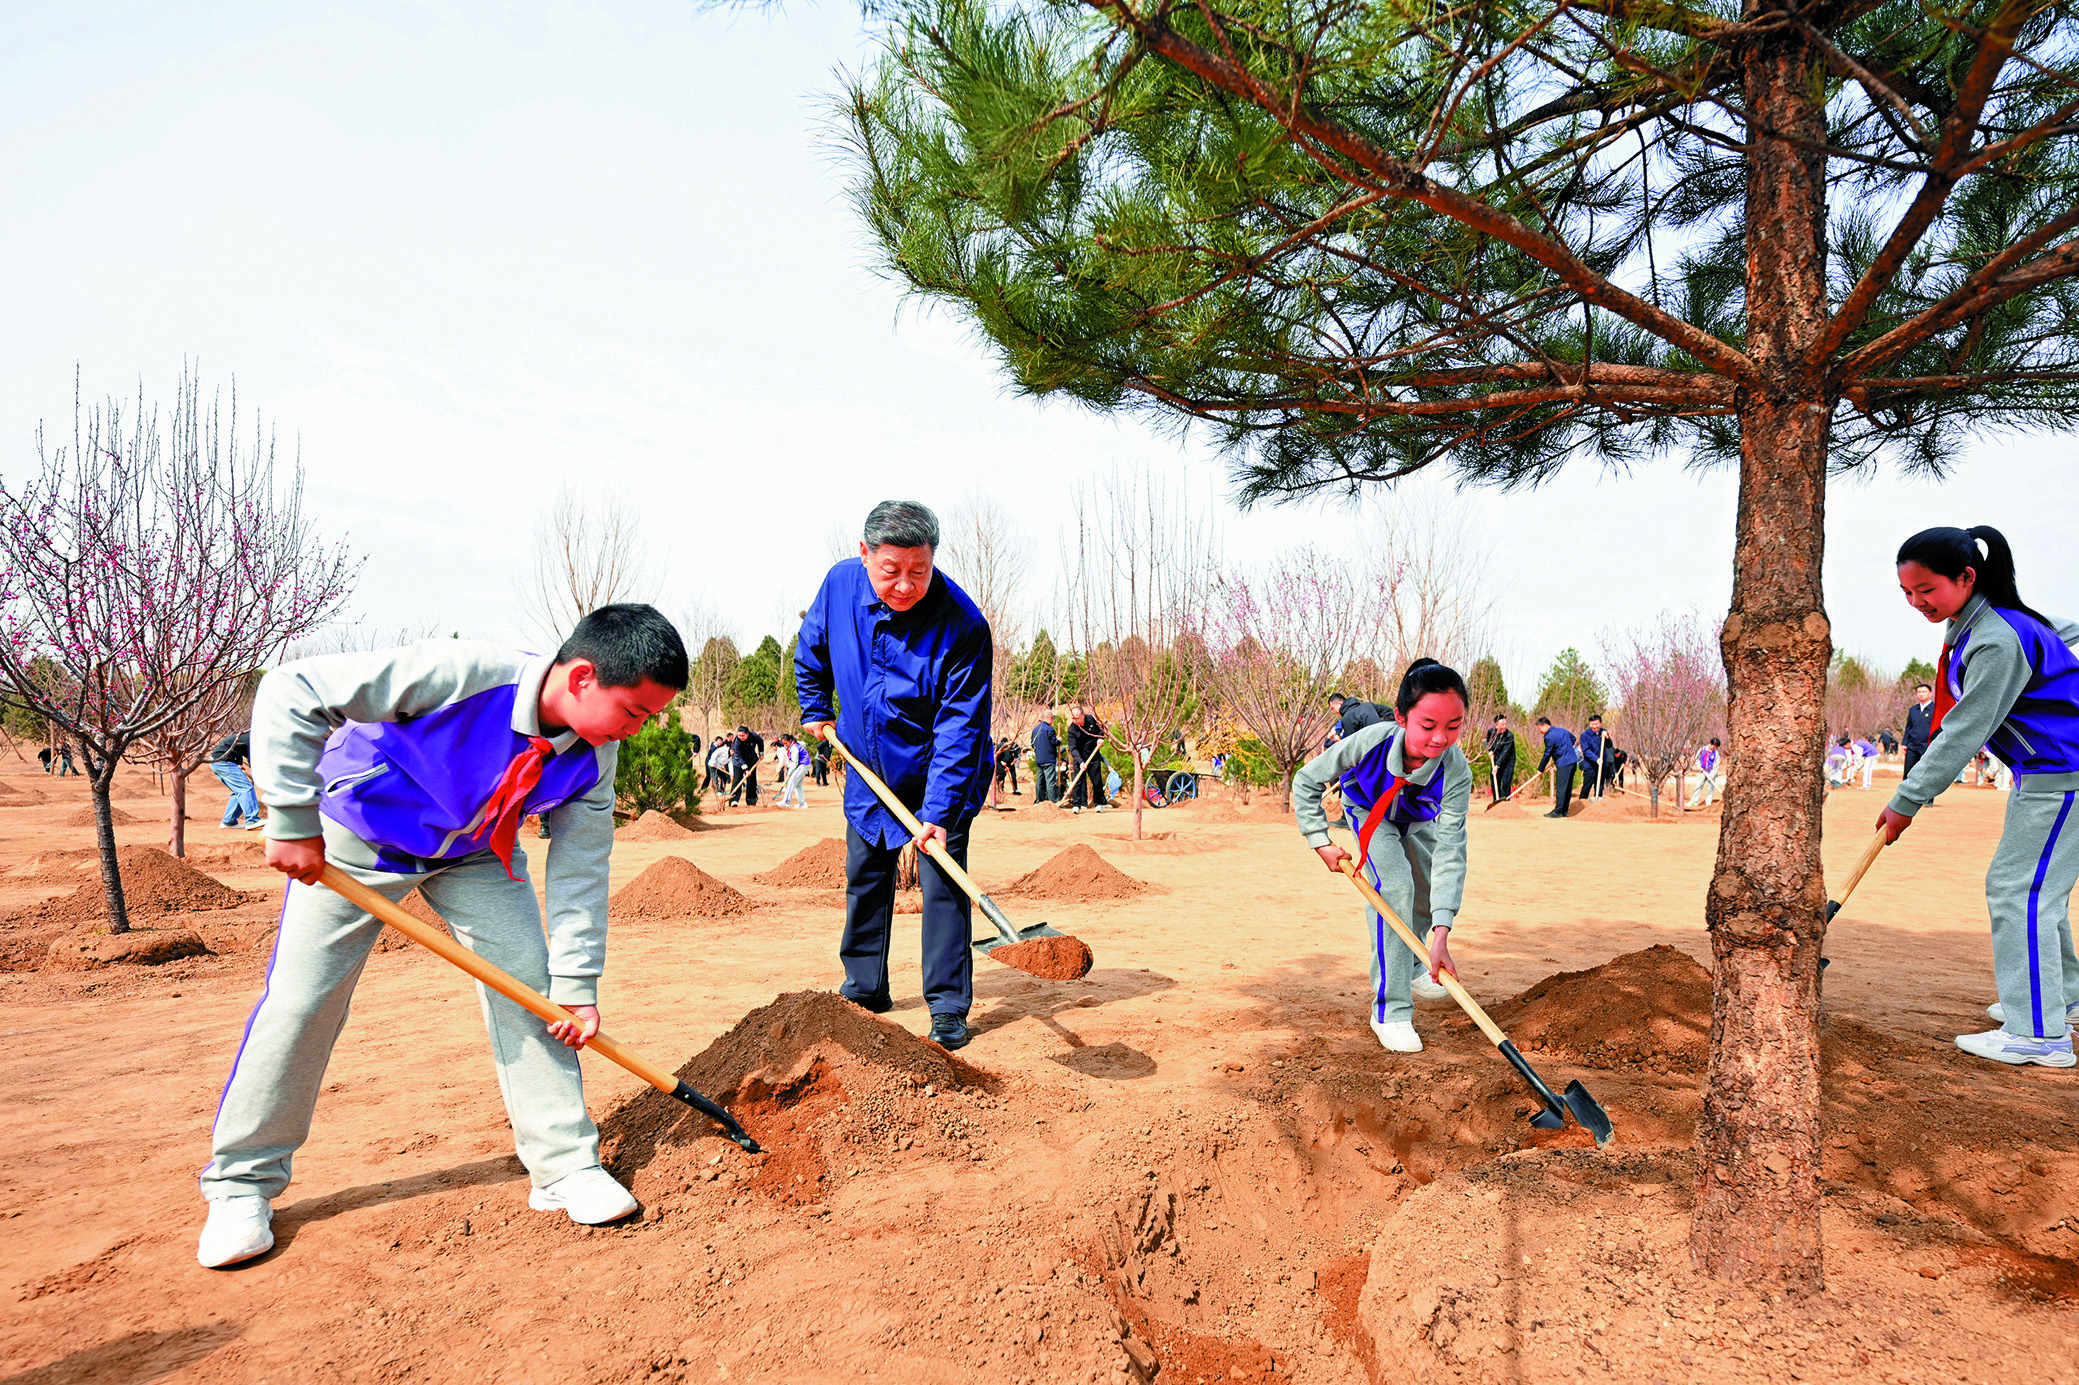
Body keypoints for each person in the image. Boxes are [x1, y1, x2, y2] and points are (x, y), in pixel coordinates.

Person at [197, 604, 687, 1269]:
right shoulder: (462, 673)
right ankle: (240, 1187)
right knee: (303, 1000)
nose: (638, 727)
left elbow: (579, 873)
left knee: (533, 994)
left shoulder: (595, 760)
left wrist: (575, 987)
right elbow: (293, 688)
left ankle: (565, 1167)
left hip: (477, 850)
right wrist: (288, 815)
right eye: (634, 711)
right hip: (359, 832)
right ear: (579, 679)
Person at [797, 500, 992, 1052]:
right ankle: (864, 990)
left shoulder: (963, 624)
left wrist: (938, 813)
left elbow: (960, 727)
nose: (905, 585)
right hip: (866, 765)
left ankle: (948, 1007)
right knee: (865, 877)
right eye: (891, 571)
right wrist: (815, 707)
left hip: (939, 771)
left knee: (944, 886)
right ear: (864, 555)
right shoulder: (839, 586)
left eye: (919, 570)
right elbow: (811, 649)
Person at [1882, 526, 2079, 1069]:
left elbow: (1963, 731)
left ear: (1967, 577)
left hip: (2063, 777)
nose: (1917, 602)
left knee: (2020, 893)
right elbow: (2069, 632)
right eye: (1906, 592)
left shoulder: (1996, 636)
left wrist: (1907, 800)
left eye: (1927, 589)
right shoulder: (1989, 624)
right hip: (2042, 778)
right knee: (2037, 890)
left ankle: (2039, 1034)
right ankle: (2061, 1000)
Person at [1294, 659, 1472, 1053]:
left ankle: (1412, 964)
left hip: (1417, 821)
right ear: (1402, 717)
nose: (1441, 739)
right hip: (1371, 812)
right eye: (1428, 725)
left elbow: (1451, 850)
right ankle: (1390, 1011)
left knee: (1425, 893)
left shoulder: (1456, 771)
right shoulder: (1370, 739)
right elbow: (1306, 780)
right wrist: (1320, 840)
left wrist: (1441, 935)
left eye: (1453, 726)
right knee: (1394, 887)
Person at [208, 728, 266, 830]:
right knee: (246, 788)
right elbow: (253, 757)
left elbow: (235, 748)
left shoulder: (249, 736)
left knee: (239, 790)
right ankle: (252, 820)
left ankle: (229, 821)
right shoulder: (254, 738)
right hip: (223, 762)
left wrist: (238, 763)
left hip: (219, 760)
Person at [1534, 717, 1579, 819]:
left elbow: (1547, 754)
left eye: (1540, 728)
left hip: (1564, 763)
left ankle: (1558, 811)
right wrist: (1565, 748)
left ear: (1545, 725)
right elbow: (1573, 738)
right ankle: (1564, 811)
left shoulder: (1549, 736)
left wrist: (1540, 769)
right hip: (1572, 761)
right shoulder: (1562, 730)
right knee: (1567, 788)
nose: (1540, 731)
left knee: (1561, 788)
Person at [1066, 704, 1105, 812]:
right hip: (1080, 758)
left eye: (1077, 718)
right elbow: (1073, 748)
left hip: (1093, 755)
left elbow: (1101, 728)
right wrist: (1080, 761)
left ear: (1083, 715)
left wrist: (1101, 737)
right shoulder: (1072, 729)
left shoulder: (1091, 719)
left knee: (1097, 781)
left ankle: (1099, 804)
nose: (1075, 720)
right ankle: (1076, 805)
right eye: (1073, 718)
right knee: (1077, 781)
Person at [1903, 681, 1935, 778]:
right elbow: (1909, 727)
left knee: (1925, 773)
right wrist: (1904, 743)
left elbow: (1940, 729)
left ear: (1930, 693)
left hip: (1928, 746)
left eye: (1924, 691)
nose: (1921, 694)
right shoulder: (1913, 710)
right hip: (1912, 746)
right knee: (1908, 772)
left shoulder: (1935, 709)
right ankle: (1905, 793)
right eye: (1919, 692)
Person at [1482, 714, 1516, 802]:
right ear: (1496, 725)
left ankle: (1505, 803)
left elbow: (1505, 752)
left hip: (1508, 761)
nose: (1504, 726)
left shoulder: (1509, 736)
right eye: (1502, 724)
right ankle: (1496, 801)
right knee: (1494, 780)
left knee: (1506, 782)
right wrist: (1489, 750)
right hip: (1496, 758)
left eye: (1505, 724)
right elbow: (1486, 742)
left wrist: (1497, 765)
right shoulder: (1491, 732)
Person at [1578, 714, 1610, 798]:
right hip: (1590, 764)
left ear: (1600, 724)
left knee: (1600, 785)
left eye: (1596, 724)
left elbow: (1610, 745)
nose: (1594, 726)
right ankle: (1582, 801)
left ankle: (1598, 804)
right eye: (1592, 724)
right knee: (1587, 785)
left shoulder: (1603, 732)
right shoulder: (1584, 735)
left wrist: (1607, 737)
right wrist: (1596, 759)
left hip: (1602, 763)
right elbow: (1586, 750)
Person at [1031, 714, 1060, 804]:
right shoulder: (1049, 729)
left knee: (1040, 781)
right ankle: (1053, 802)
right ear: (1049, 718)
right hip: (1049, 759)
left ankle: (1039, 801)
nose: (1053, 722)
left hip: (1039, 759)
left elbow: (1032, 744)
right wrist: (1059, 740)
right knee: (1050, 781)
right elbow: (1054, 742)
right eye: (1052, 720)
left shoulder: (1035, 729)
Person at [1686, 738, 1724, 808]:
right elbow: (1697, 759)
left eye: (1717, 747)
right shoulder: (1702, 750)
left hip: (1711, 772)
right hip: (1702, 772)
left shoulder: (1716, 753)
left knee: (1710, 788)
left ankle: (1708, 803)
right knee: (1698, 786)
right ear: (1710, 743)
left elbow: (1716, 764)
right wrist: (1699, 767)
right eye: (1714, 746)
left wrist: (1712, 775)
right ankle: (1694, 801)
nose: (1715, 748)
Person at [777, 734, 810, 809]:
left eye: (786, 743)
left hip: (803, 764)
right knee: (797, 785)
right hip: (802, 765)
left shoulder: (795, 748)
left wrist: (789, 773)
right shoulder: (793, 746)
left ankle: (786, 801)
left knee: (791, 781)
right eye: (783, 744)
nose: (785, 745)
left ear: (790, 741)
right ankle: (802, 803)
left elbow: (794, 762)